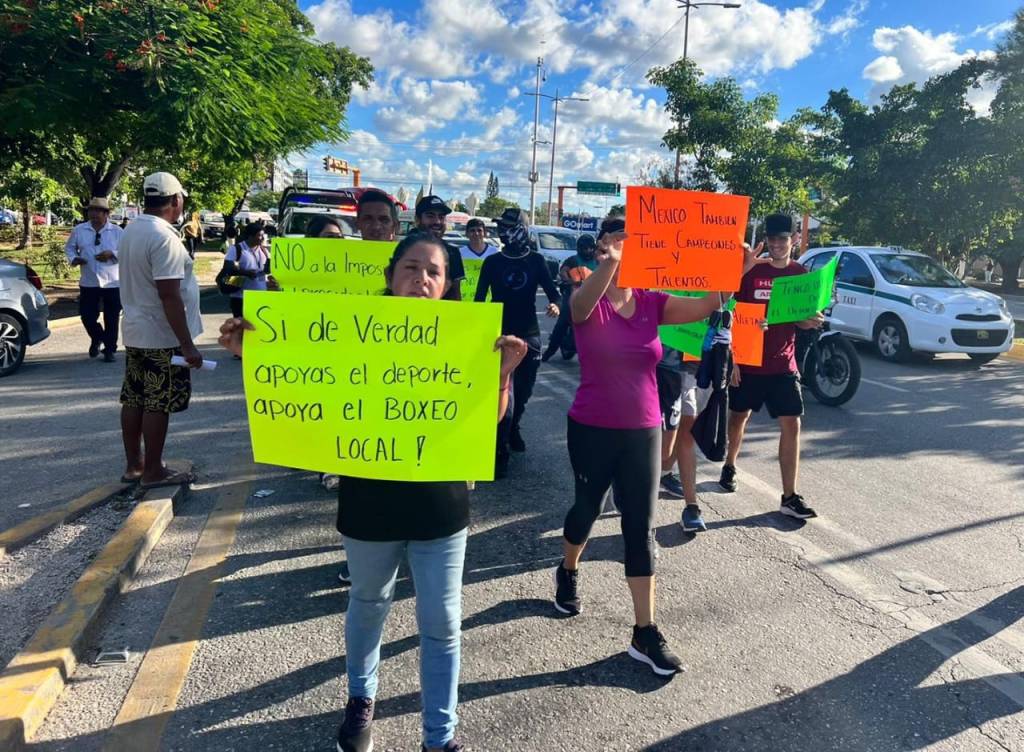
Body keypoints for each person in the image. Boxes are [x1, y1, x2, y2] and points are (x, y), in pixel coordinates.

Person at [218, 231, 528, 752]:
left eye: (433, 271)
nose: (421, 279)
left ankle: (440, 735)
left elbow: (489, 422)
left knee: (443, 622)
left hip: (441, 503)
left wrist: (500, 376)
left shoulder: (469, 338)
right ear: (390, 275)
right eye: (411, 267)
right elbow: (302, 382)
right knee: (367, 602)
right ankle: (362, 698)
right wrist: (252, 354)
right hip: (369, 500)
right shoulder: (350, 333)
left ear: (449, 284)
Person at [553, 216, 749, 676]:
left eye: (631, 240)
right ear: (602, 245)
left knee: (639, 526)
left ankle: (645, 632)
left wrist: (732, 269)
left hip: (643, 427)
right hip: (591, 426)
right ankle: (568, 568)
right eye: (616, 239)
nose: (624, 246)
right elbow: (578, 311)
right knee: (586, 509)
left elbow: (705, 305)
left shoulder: (650, 300)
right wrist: (612, 263)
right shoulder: (586, 292)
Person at [719, 213, 824, 519]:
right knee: (739, 417)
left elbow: (804, 321)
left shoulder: (800, 273)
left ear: (794, 240)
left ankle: (789, 496)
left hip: (783, 364)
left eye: (783, 239)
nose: (777, 244)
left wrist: (813, 320)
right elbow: (726, 309)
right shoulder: (752, 271)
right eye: (773, 239)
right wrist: (732, 359)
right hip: (748, 363)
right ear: (766, 239)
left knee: (792, 423)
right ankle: (729, 464)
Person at [118, 171, 203, 487]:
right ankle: (152, 470)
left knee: (134, 398)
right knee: (158, 402)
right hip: (161, 336)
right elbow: (169, 295)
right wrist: (187, 344)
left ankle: (135, 465)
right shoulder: (164, 237)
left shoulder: (132, 230)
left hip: (137, 331)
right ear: (176, 200)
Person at [475, 208, 560, 477]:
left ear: (522, 229)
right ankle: (499, 451)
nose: (503, 232)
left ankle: (514, 428)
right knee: (504, 396)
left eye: (509, 226)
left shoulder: (536, 261)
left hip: (530, 335)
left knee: (522, 394)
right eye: (500, 226)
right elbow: (478, 301)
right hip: (500, 337)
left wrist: (555, 306)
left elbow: (554, 293)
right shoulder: (492, 263)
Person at [656, 347, 709, 532]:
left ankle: (691, 508)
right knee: (660, 442)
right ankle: (627, 482)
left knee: (687, 431)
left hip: (698, 367)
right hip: (664, 366)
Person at [64, 196, 124, 362]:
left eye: (98, 211)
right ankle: (98, 337)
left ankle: (110, 349)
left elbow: (127, 252)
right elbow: (69, 248)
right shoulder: (80, 230)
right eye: (91, 210)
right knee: (87, 316)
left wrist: (112, 254)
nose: (94, 214)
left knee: (111, 317)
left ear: (106, 214)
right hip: (89, 280)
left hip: (112, 281)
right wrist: (74, 258)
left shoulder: (118, 232)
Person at [542, 233, 598, 362]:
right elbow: (563, 271)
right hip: (574, 294)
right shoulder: (573, 260)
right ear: (579, 248)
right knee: (563, 321)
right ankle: (549, 352)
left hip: (593, 296)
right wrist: (569, 280)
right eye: (585, 248)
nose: (588, 250)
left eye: (590, 247)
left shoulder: (598, 261)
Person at [415, 195, 465, 300]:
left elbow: (456, 294)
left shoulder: (452, 252)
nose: (437, 222)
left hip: (440, 315)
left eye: (441, 217)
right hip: (404, 313)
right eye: (430, 216)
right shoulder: (402, 249)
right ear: (418, 219)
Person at [222, 221, 269, 318]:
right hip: (241, 298)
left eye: (263, 235)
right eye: (259, 235)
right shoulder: (237, 249)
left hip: (260, 296)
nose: (262, 238)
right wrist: (246, 273)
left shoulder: (264, 250)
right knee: (241, 329)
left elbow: (267, 270)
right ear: (250, 236)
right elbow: (227, 268)